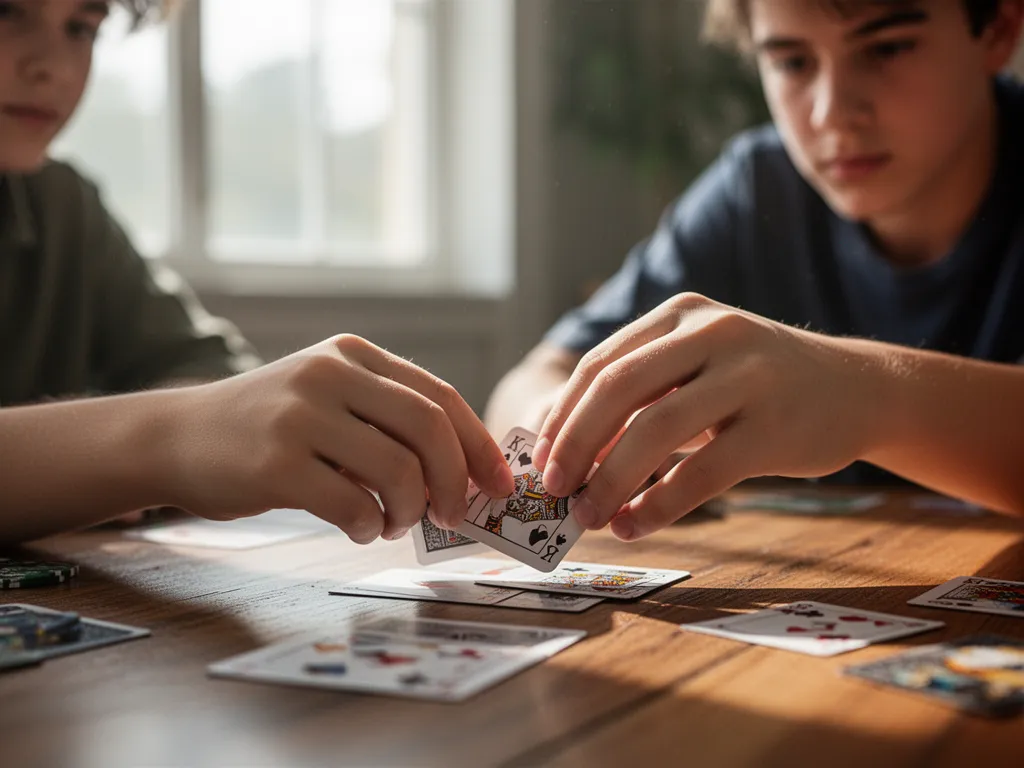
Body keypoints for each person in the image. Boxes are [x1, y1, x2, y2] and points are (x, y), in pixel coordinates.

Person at [486, 0, 1024, 542]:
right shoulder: (756, 189)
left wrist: (856, 391)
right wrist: (566, 430)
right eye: (793, 63)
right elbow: (528, 383)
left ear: (1000, 28)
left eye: (888, 48)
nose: (830, 113)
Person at [0, 0, 514, 545]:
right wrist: (144, 450)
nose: (52, 66)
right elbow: (198, 422)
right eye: (7, 12)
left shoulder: (61, 207)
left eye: (81, 27)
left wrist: (155, 446)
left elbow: (209, 372)